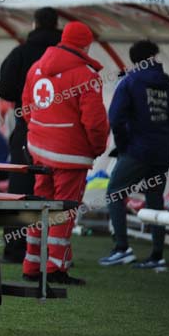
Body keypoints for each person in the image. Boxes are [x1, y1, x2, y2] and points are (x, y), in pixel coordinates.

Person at [21, 22, 109, 285]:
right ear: (85, 45)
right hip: (70, 155)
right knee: (64, 210)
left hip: (39, 150)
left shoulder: (36, 67)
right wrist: (97, 148)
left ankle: (32, 265)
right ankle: (55, 268)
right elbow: (94, 122)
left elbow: (26, 107)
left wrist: (39, 134)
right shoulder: (86, 76)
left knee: (41, 205)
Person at [99, 41, 169, 269]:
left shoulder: (130, 82)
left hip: (137, 151)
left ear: (134, 60)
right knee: (155, 199)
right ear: (155, 57)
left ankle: (122, 248)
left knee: (114, 193)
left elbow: (115, 118)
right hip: (162, 153)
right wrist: (163, 142)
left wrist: (124, 146)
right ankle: (157, 256)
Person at [0, 7, 61, 262]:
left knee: (21, 189)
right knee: (55, 192)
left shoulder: (22, 53)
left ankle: (17, 249)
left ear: (34, 24)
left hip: (28, 130)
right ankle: (52, 251)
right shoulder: (67, 56)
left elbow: (5, 87)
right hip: (60, 133)